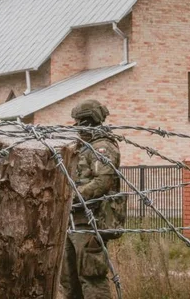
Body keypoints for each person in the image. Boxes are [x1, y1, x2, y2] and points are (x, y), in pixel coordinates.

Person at [60, 99, 125, 299]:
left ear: (88, 121)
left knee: (91, 277)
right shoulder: (83, 146)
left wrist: (72, 198)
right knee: (68, 280)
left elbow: (102, 182)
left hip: (91, 221)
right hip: (72, 221)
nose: (76, 126)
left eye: (79, 121)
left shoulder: (102, 146)